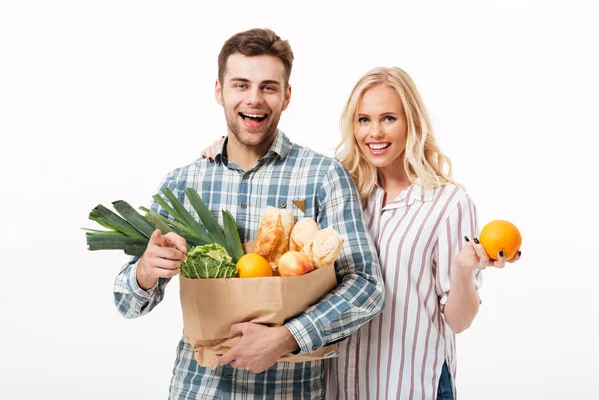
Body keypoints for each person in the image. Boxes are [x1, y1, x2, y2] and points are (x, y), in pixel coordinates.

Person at [203, 67, 522, 399]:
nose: (374, 133)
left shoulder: (447, 203)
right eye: (363, 120)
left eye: (388, 119)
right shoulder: (341, 192)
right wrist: (226, 150)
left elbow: (458, 321)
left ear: (411, 122)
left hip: (411, 385)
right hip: (339, 387)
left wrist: (462, 270)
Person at [113, 28, 385, 399]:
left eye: (268, 87)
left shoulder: (322, 176)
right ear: (219, 90)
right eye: (240, 85)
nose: (254, 100)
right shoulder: (183, 184)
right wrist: (145, 271)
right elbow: (127, 303)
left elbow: (366, 286)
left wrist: (286, 338)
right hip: (197, 389)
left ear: (286, 96)